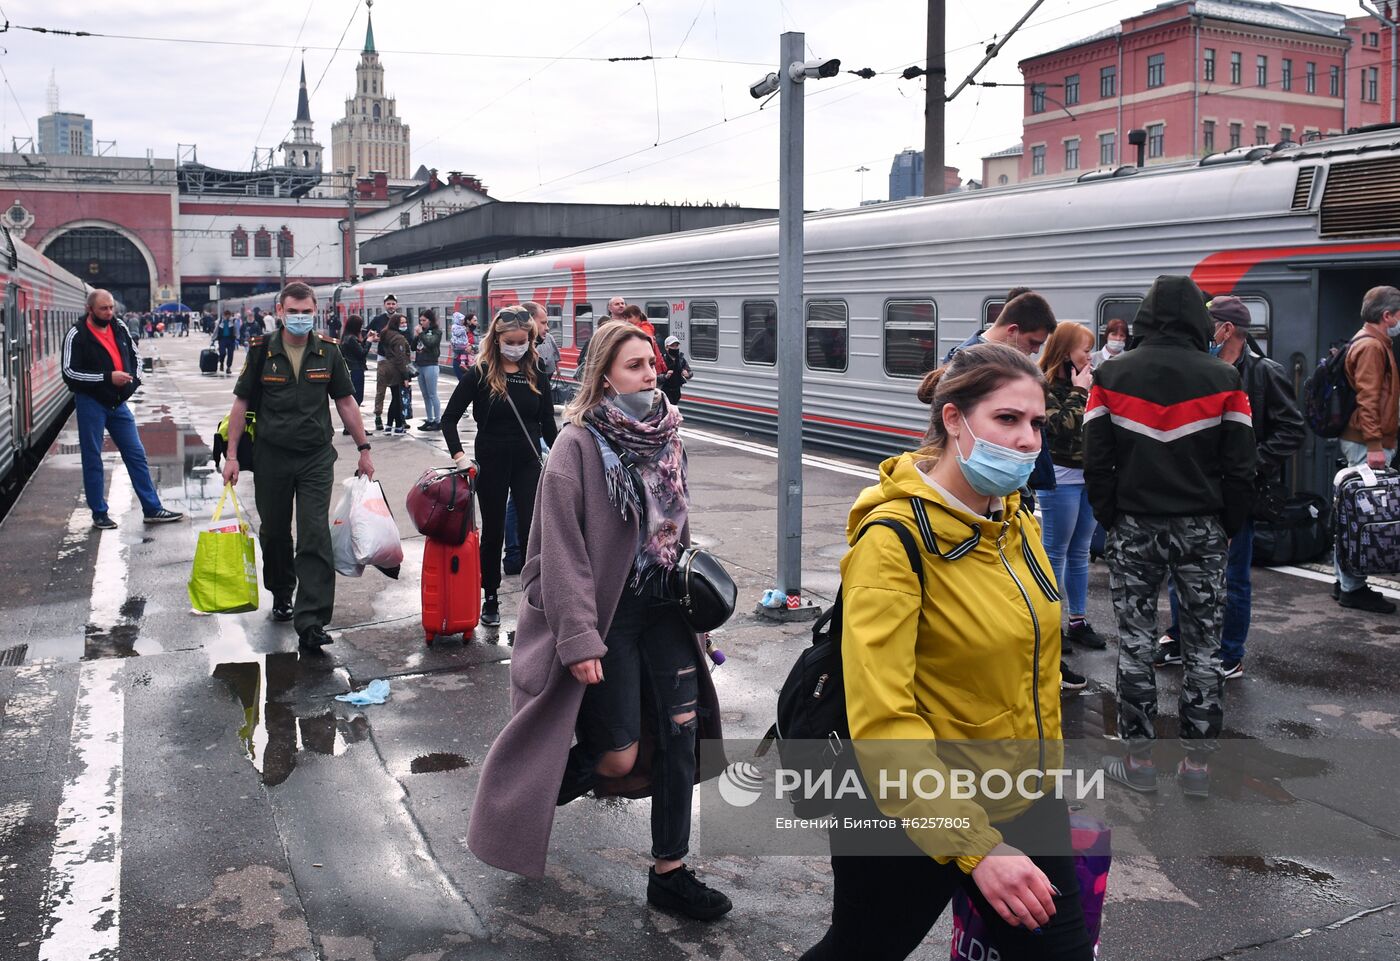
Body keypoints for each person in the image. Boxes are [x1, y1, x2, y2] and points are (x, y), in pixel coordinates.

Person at [801, 342, 1092, 961]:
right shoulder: (893, 541)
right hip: (910, 807)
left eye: (1036, 423)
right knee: (861, 948)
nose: (1028, 440)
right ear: (955, 420)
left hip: (1024, 792)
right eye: (1006, 420)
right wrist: (976, 846)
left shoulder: (1016, 521)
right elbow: (881, 720)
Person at [466, 320, 729, 921]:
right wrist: (579, 637)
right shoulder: (577, 446)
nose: (649, 373)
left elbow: (675, 526)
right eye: (635, 365)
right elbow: (561, 551)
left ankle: (671, 873)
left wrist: (696, 609)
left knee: (681, 735)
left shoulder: (668, 435)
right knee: (618, 757)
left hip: (665, 607)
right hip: (608, 613)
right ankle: (539, 785)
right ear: (605, 375)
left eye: (651, 362)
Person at [1085, 275, 1256, 799]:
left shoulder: (1110, 375)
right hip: (1202, 529)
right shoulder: (1225, 378)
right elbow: (1242, 469)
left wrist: (1113, 517)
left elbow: (1098, 462)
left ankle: (1137, 761)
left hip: (1134, 526)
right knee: (1204, 647)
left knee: (1135, 644)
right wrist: (1223, 526)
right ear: (1198, 321)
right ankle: (1198, 768)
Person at [1156, 296, 1305, 676]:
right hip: (1192, 486)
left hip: (1237, 490)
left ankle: (1230, 652)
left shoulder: (1265, 373)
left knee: (1233, 574)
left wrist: (1251, 463)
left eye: (1208, 325)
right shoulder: (1197, 369)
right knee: (1180, 566)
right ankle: (1178, 637)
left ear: (1226, 329)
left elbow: (1292, 430)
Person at [220, 281, 373, 650]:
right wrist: (232, 455)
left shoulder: (329, 352)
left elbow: (346, 403)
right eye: (294, 312)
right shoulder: (261, 351)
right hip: (272, 456)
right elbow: (241, 405)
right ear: (280, 311)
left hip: (315, 457)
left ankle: (313, 619)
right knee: (273, 532)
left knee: (314, 533)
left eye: (307, 313)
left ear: (315, 312)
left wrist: (364, 447)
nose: (301, 318)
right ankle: (282, 590)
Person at [441, 306, 558, 627]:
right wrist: (459, 457)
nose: (518, 346)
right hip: (491, 459)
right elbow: (448, 419)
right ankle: (490, 596)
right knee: (492, 532)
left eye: (523, 341)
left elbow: (547, 420)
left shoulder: (536, 369)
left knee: (530, 531)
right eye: (511, 341)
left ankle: (534, 600)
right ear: (497, 339)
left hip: (527, 461)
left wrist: (561, 454)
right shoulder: (479, 373)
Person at [61, 289, 185, 530]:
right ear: (90, 310)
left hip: (118, 403)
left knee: (136, 453)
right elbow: (69, 372)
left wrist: (133, 382)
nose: (109, 313)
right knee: (93, 457)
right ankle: (99, 513)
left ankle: (152, 508)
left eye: (111, 308)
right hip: (90, 402)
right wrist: (108, 378)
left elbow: (135, 356)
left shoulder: (119, 327)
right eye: (103, 309)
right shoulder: (77, 334)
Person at [1037, 322, 1109, 654]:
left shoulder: (1092, 383)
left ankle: (1077, 621)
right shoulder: (1044, 386)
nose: (1091, 356)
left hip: (1089, 476)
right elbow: (1057, 428)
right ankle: (1050, 625)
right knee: (1054, 552)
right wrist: (1081, 392)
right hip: (1062, 478)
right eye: (1085, 349)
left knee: (1080, 552)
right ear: (1067, 352)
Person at [1331, 285, 1400, 614]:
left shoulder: (1370, 341)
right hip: (1365, 443)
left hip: (1362, 439)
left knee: (1349, 511)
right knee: (1361, 513)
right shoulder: (1372, 346)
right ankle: (1353, 588)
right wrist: (1375, 445)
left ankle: (1343, 579)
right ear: (1387, 316)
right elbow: (1368, 399)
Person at [943, 287, 1052, 363]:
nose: (1036, 350)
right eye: (1033, 342)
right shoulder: (966, 363)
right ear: (1012, 330)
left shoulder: (998, 359)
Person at [375, 316, 413, 435]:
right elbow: (400, 358)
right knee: (397, 399)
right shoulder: (398, 338)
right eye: (401, 323)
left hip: (388, 367)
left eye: (405, 322)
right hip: (397, 371)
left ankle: (389, 425)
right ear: (396, 323)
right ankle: (397, 427)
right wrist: (406, 376)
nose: (404, 324)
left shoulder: (385, 334)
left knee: (394, 398)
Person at [413, 309, 443, 431]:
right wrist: (416, 336)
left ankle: (437, 420)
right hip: (420, 365)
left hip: (431, 365)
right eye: (420, 320)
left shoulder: (437, 332)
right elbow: (412, 347)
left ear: (430, 321)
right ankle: (429, 419)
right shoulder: (422, 332)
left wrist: (421, 334)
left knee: (432, 394)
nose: (421, 323)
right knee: (425, 395)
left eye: (424, 320)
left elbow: (431, 343)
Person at [339, 315, 370, 435]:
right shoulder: (351, 339)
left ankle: (348, 426)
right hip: (356, 370)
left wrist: (366, 339)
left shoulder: (346, 337)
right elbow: (362, 353)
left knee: (353, 399)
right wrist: (370, 342)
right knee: (357, 400)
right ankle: (356, 428)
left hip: (351, 370)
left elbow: (357, 349)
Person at [659, 335, 692, 407]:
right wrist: (665, 376)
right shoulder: (662, 360)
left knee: (673, 408)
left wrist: (687, 374)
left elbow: (690, 372)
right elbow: (656, 376)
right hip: (665, 391)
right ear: (667, 347)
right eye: (672, 346)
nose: (675, 348)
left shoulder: (680, 359)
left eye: (677, 346)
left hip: (676, 391)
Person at [449, 311, 473, 379]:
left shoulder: (462, 327)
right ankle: (464, 363)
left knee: (464, 352)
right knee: (464, 351)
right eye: (461, 320)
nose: (462, 321)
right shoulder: (457, 327)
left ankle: (463, 363)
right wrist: (463, 329)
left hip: (461, 345)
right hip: (459, 345)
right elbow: (457, 333)